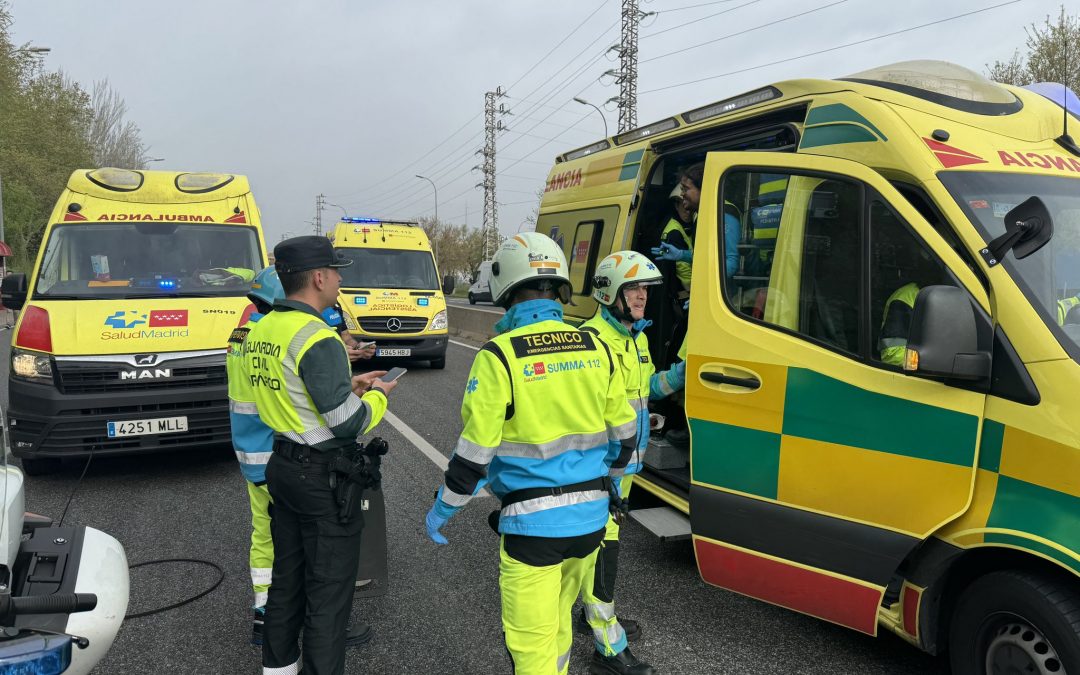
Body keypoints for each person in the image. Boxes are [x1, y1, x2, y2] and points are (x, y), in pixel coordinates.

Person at [423, 232, 656, 675]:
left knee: (531, 649)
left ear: (506, 289)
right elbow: (625, 437)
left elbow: (474, 456)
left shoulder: (499, 357)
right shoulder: (597, 347)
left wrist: (442, 510)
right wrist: (608, 485)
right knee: (559, 627)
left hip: (532, 530)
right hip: (590, 525)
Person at [248, 235, 398, 675]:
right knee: (329, 597)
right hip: (320, 479)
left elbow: (295, 392)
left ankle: (278, 669)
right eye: (335, 272)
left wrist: (348, 386)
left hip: (281, 464)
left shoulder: (263, 329)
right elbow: (348, 423)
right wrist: (379, 395)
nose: (339, 280)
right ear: (318, 277)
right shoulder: (318, 336)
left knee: (286, 584)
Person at [575, 250, 686, 652]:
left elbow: (648, 389)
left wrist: (682, 374)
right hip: (602, 464)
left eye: (645, 289)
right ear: (610, 292)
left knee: (601, 540)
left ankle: (589, 610)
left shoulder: (636, 338)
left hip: (626, 463)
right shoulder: (591, 341)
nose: (642, 296)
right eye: (633, 288)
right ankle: (603, 630)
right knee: (603, 542)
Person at [226, 266, 283, 644]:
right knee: (302, 534)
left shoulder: (240, 333)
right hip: (279, 455)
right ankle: (307, 615)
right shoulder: (271, 337)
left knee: (263, 533)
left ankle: (264, 610)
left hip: (251, 453)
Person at [651, 163, 740, 281]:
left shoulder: (724, 213)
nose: (682, 194)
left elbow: (731, 264)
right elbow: (708, 258)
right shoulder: (702, 214)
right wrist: (681, 254)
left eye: (686, 189)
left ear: (704, 189)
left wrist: (702, 285)